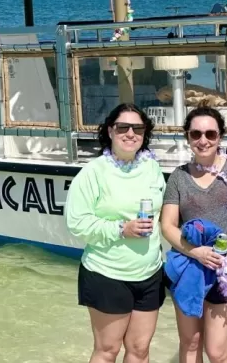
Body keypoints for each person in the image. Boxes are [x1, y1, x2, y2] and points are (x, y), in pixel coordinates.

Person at [65, 103, 165, 363]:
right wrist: (122, 229)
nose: (131, 133)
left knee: (140, 349)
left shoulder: (152, 168)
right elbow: (77, 223)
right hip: (106, 274)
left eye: (138, 128)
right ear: (110, 131)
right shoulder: (93, 173)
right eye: (123, 127)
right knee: (107, 351)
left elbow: (165, 212)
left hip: (150, 273)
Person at [161, 106, 227, 363]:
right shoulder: (178, 177)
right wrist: (196, 252)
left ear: (221, 137)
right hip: (189, 267)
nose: (203, 140)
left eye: (211, 134)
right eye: (196, 134)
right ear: (188, 137)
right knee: (190, 344)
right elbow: (167, 225)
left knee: (217, 350)